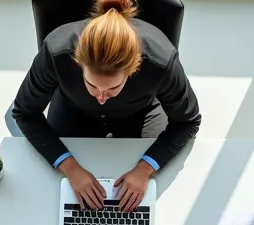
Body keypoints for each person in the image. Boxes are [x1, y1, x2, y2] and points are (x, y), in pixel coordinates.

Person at [12, 0, 201, 212]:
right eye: (91, 85)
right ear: (77, 63)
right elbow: (24, 113)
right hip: (72, 109)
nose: (101, 98)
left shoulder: (161, 60)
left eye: (112, 88)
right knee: (51, 197)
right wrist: (70, 167)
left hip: (141, 113)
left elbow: (188, 121)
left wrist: (145, 169)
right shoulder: (55, 52)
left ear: (134, 69)